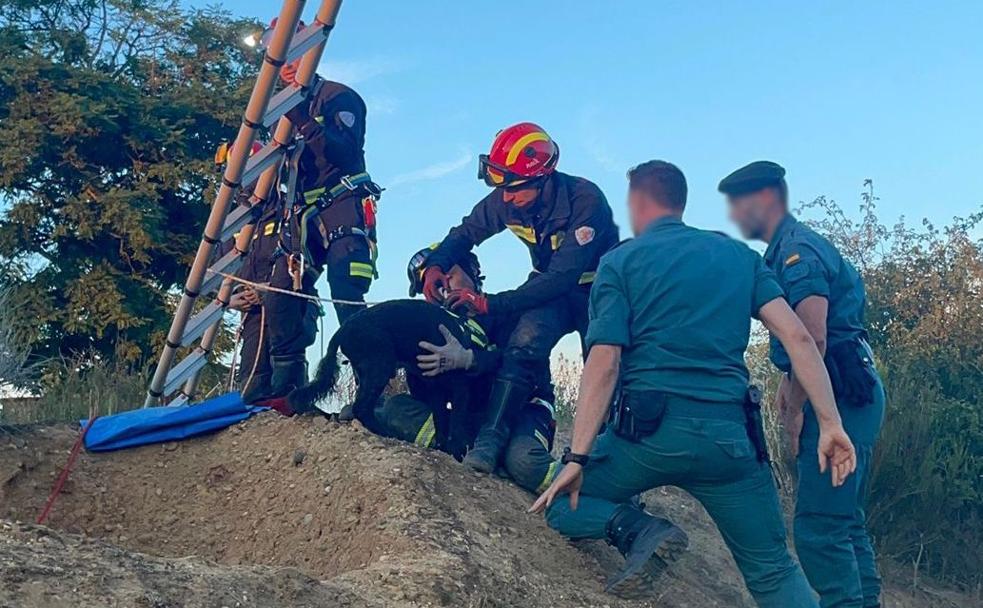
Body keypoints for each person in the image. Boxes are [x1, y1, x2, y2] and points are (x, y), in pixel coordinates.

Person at [531, 160, 858, 605]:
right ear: (680, 202)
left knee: (562, 508)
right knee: (773, 570)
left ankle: (635, 529)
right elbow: (799, 336)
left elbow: (604, 361)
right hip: (730, 444)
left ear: (640, 203)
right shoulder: (739, 257)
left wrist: (577, 457)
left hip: (646, 439)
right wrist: (831, 423)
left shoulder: (620, 261)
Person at [719, 161, 886, 608]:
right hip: (853, 385)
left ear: (766, 199)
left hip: (839, 390)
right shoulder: (795, 245)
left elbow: (812, 337)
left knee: (819, 528)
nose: (734, 218)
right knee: (845, 521)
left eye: (739, 206)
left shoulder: (797, 252)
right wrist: (788, 381)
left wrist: (794, 409)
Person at [421, 122, 618, 474]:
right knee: (524, 343)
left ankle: (605, 462)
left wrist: (489, 303)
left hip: (599, 291)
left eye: (514, 189)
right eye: (501, 187)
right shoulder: (506, 196)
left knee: (603, 367)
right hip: (551, 284)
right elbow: (466, 232)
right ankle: (490, 439)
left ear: (543, 179)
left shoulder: (587, 201)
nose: (506, 197)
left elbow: (562, 277)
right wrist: (436, 264)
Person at [258, 18, 382, 399]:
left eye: (294, 52)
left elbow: (343, 151)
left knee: (345, 291)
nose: (287, 63)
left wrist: (302, 118)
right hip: (300, 217)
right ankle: (287, 388)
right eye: (278, 54)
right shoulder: (274, 111)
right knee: (280, 293)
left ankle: (371, 390)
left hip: (342, 204)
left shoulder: (338, 97)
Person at [373, 246, 560, 493]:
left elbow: (524, 367)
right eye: (429, 287)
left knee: (524, 462)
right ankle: (462, 449)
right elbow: (427, 399)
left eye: (447, 276)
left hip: (523, 412)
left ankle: (596, 486)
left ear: (473, 271)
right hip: (474, 419)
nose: (442, 289)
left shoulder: (506, 311)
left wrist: (470, 359)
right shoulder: (436, 331)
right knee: (396, 409)